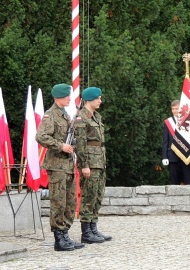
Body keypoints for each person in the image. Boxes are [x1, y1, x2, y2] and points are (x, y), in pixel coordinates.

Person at [36, 83, 85, 251]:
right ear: (58, 97)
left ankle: (65, 234)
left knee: (70, 202)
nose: (69, 99)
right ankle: (59, 238)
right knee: (58, 202)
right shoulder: (51, 115)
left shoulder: (66, 115)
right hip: (57, 165)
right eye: (66, 96)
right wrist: (60, 146)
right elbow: (41, 136)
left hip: (68, 165)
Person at [75, 86, 111, 244]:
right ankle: (86, 232)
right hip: (90, 162)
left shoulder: (96, 116)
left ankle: (93, 227)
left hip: (99, 161)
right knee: (88, 195)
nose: (100, 101)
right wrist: (84, 165)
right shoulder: (82, 117)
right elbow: (81, 144)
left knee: (97, 195)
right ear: (89, 99)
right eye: (98, 98)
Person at [162, 100, 190, 185]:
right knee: (174, 181)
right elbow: (165, 141)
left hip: (185, 154)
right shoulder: (167, 122)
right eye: (173, 109)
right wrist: (164, 156)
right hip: (172, 156)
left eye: (176, 109)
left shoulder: (187, 121)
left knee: (188, 180)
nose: (174, 111)